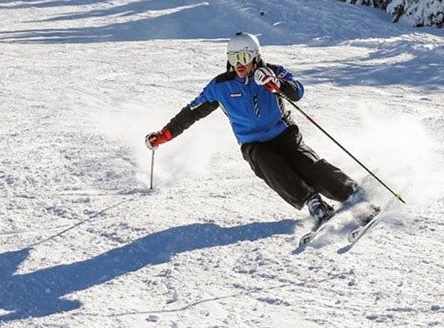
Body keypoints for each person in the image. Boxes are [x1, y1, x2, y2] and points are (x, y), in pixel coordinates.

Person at [144, 31, 366, 224]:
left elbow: (297, 92)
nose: (238, 64)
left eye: (243, 57)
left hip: (284, 134)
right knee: (269, 164)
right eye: (233, 58)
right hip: (253, 144)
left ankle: (351, 193)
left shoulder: (273, 72)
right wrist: (164, 135)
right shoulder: (221, 86)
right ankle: (314, 203)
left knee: (306, 163)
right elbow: (191, 113)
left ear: (255, 56)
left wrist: (278, 85)